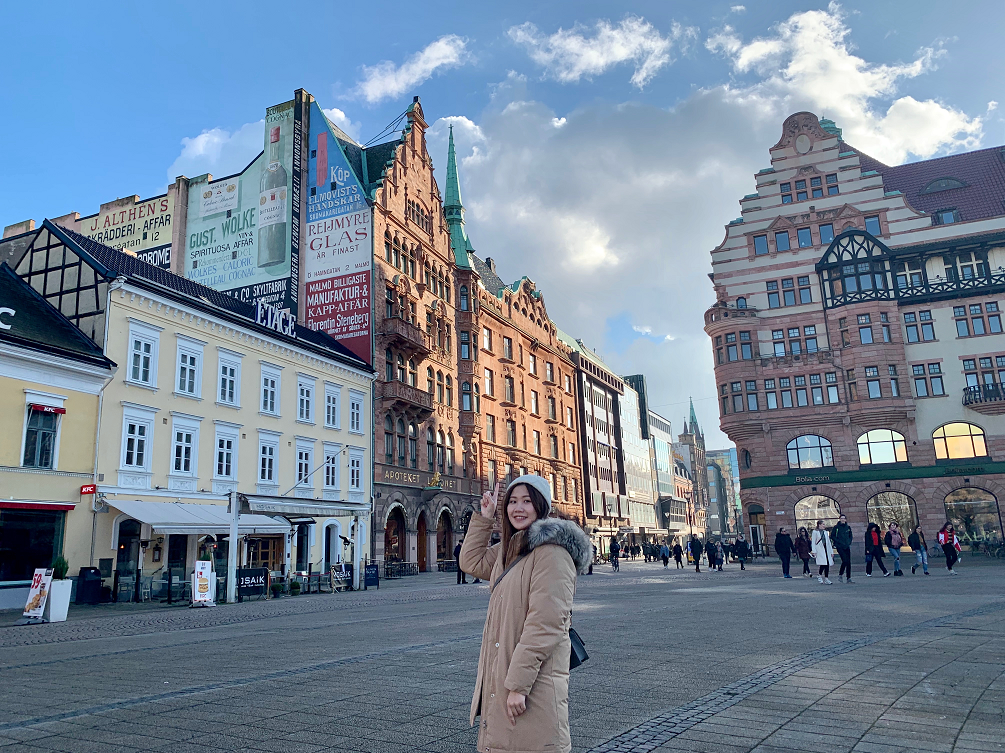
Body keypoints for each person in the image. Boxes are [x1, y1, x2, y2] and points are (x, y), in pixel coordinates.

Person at [460, 475, 591, 753]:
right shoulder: (510, 549)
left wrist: (518, 686)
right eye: (513, 502)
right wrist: (485, 519)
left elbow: (545, 625)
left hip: (532, 685)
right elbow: (471, 562)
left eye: (527, 501)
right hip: (507, 678)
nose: (518, 508)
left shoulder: (552, 553)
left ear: (541, 506)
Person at [831, 514, 854, 583]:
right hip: (840, 546)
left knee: (848, 562)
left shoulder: (848, 527)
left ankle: (848, 577)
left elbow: (850, 536)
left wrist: (849, 542)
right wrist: (838, 542)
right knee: (844, 560)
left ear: (845, 519)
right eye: (841, 518)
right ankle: (840, 574)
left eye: (844, 518)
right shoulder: (836, 527)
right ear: (840, 519)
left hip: (846, 546)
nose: (843, 519)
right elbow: (832, 536)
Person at [811, 520, 835, 584]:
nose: (824, 526)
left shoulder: (825, 532)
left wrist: (831, 552)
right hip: (820, 550)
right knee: (823, 563)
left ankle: (826, 578)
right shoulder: (815, 532)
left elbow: (828, 542)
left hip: (826, 549)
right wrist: (814, 551)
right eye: (823, 524)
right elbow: (813, 542)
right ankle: (819, 575)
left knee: (827, 564)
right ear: (819, 525)